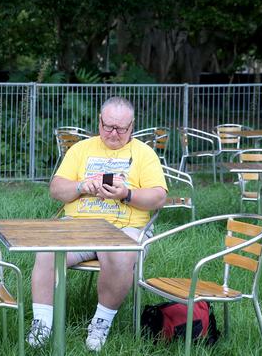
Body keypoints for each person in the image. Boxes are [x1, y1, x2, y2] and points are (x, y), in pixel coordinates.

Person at [28, 96, 167, 351]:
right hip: (78, 226)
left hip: (126, 228)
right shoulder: (81, 149)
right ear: (99, 122)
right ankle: (42, 324)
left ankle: (101, 322)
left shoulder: (144, 154)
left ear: (132, 127)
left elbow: (159, 196)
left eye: (121, 129)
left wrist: (126, 194)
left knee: (120, 254)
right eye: (108, 126)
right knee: (46, 250)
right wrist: (81, 186)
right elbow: (56, 189)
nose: (113, 133)